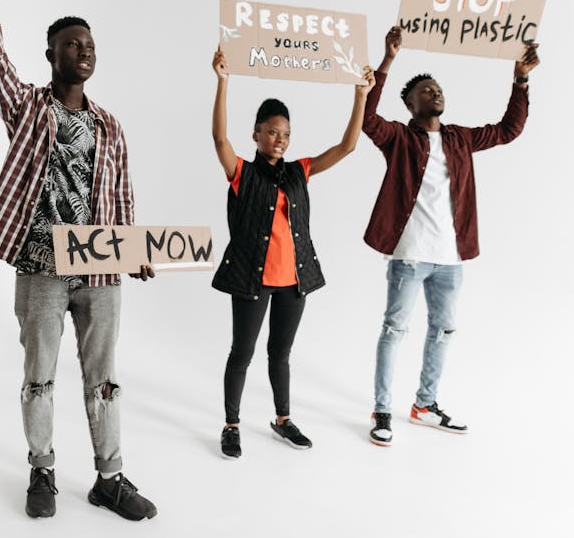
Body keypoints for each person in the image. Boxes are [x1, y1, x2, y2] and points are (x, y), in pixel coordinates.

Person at [0, 0, 156, 522]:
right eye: (73, 43)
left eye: (90, 44)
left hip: (99, 272)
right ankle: (43, 469)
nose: (84, 50)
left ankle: (110, 478)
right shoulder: (27, 107)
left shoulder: (110, 126)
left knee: (103, 378)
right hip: (40, 268)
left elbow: (122, 199)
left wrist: (135, 250)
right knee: (40, 376)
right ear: (51, 54)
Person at [364, 26, 539, 447]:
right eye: (425, 90)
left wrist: (520, 79)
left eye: (437, 88)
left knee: (442, 331)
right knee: (394, 330)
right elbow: (367, 120)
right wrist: (387, 61)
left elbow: (509, 129)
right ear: (410, 104)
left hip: (450, 259)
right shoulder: (400, 138)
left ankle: (425, 405)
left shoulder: (460, 138)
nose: (434, 93)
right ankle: (382, 410)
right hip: (409, 256)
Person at [210, 48, 375, 458]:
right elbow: (219, 139)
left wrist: (361, 95)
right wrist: (223, 82)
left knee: (280, 353)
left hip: (294, 281)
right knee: (242, 353)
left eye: (285, 133)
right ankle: (231, 425)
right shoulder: (242, 174)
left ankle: (282, 420)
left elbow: (348, 146)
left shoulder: (299, 170)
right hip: (252, 278)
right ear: (256, 134)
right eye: (271, 132)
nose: (279, 139)